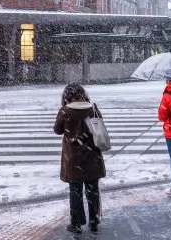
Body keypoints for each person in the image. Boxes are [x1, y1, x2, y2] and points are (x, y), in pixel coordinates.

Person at [53, 83, 106, 234]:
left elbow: (57, 130)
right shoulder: (92, 109)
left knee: (75, 191)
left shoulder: (66, 111)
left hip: (73, 159)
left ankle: (76, 223)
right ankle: (94, 221)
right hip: (92, 156)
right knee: (92, 190)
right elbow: (100, 127)